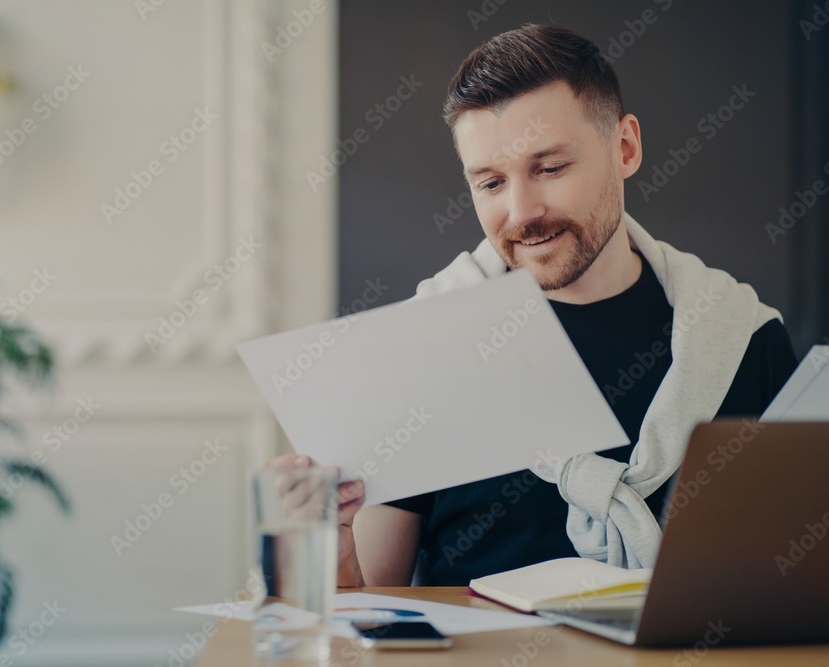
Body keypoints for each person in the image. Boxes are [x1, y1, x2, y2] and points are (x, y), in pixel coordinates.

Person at [268, 24, 798, 587]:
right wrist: (329, 547)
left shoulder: (745, 342)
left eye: (549, 168)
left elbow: (800, 583)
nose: (522, 212)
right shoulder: (424, 350)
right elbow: (371, 605)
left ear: (625, 148)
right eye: (491, 183)